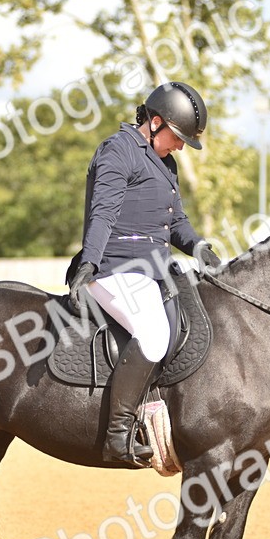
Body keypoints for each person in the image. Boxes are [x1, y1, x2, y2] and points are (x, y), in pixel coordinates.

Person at [66, 81, 222, 467]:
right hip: (113, 266)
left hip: (154, 270)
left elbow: (176, 222)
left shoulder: (164, 162)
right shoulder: (118, 151)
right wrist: (88, 265)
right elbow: (102, 214)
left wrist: (200, 247)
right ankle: (117, 436)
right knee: (153, 335)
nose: (181, 147)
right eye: (178, 137)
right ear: (154, 122)